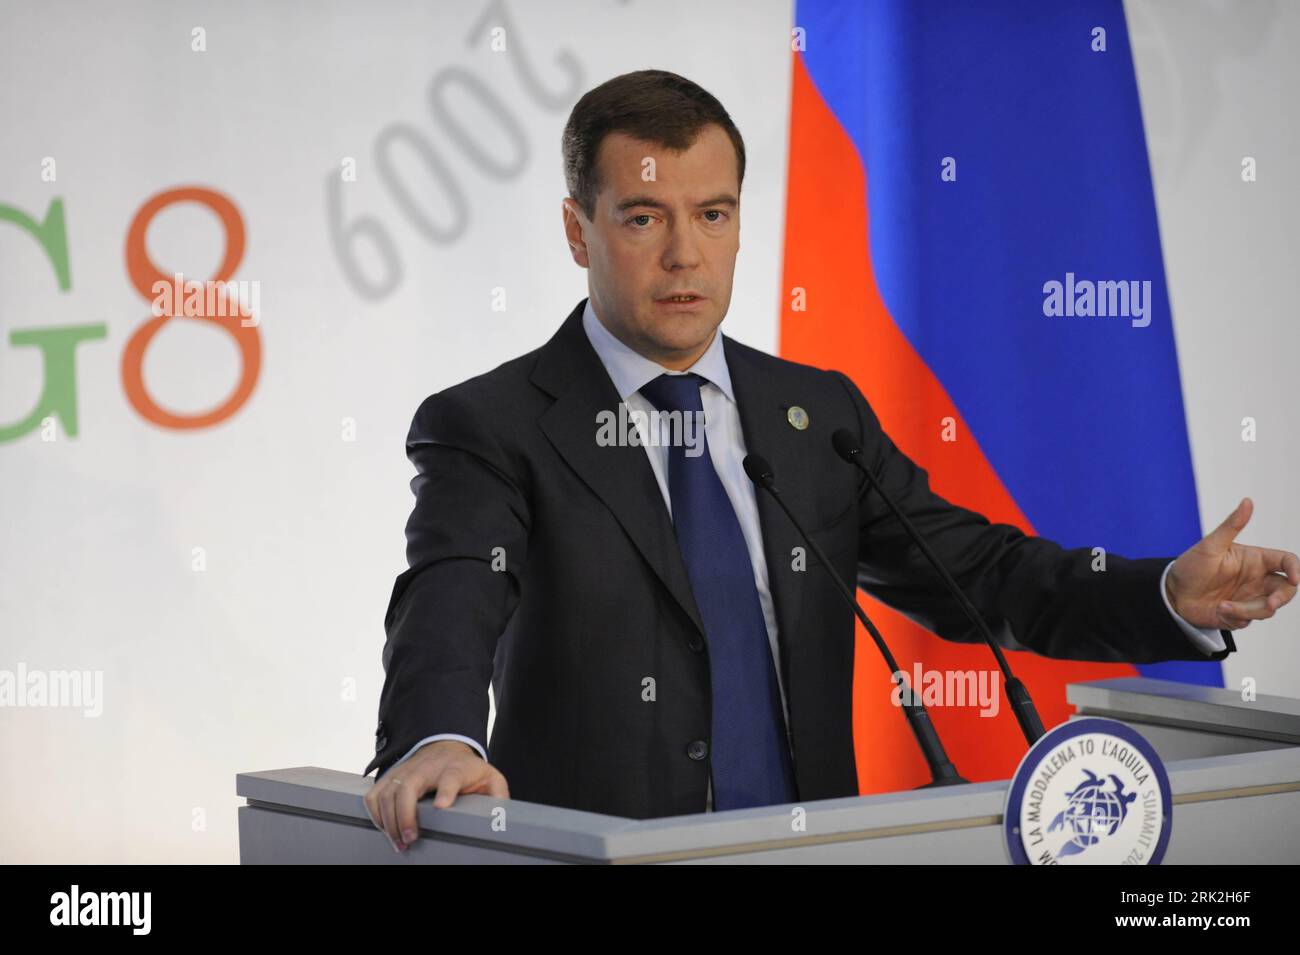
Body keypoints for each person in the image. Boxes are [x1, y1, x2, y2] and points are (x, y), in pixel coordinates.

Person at [362, 69, 1298, 853]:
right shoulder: (493, 425)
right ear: (579, 230)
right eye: (644, 218)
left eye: (714, 213)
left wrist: (1166, 594)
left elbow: (981, 574)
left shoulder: (812, 415)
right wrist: (436, 737)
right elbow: (448, 599)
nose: (686, 254)